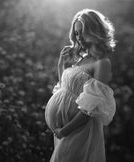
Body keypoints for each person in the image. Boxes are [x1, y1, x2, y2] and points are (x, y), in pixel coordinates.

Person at [45, 8, 116, 162]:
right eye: (76, 33)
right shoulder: (82, 59)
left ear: (95, 31)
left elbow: (90, 108)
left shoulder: (102, 63)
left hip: (79, 130)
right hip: (67, 132)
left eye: (83, 32)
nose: (79, 38)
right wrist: (60, 65)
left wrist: (65, 130)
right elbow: (64, 90)